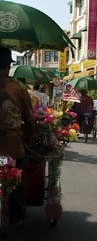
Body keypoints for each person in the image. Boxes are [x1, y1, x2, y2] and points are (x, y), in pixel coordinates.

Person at [0, 46, 35, 224]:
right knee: (20, 177)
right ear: (8, 66)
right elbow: (29, 116)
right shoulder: (18, 86)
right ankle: (18, 214)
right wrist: (31, 134)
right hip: (12, 145)